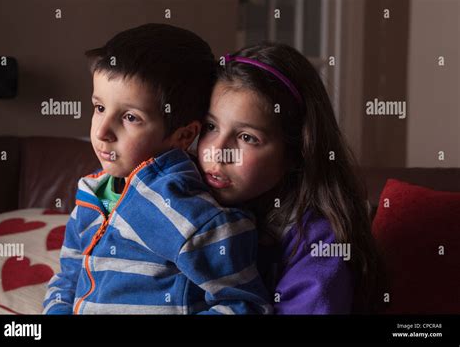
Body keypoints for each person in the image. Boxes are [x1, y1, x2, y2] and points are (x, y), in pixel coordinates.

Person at [42, 24, 271, 315]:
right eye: (99, 107)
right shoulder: (92, 193)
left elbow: (244, 305)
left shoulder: (196, 217)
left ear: (184, 136)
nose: (101, 132)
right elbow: (67, 279)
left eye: (130, 117)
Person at [197, 42, 384, 314]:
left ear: (295, 152)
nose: (218, 151)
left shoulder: (318, 242)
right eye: (210, 126)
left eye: (247, 137)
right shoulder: (183, 197)